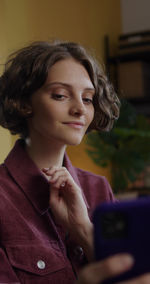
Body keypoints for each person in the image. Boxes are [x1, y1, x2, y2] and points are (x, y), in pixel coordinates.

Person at [0, 40, 149, 284]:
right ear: (24, 102)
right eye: (60, 95)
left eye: (88, 98)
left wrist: (83, 230)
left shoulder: (98, 188)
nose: (80, 108)